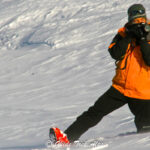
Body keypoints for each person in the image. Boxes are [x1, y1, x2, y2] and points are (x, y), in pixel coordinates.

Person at [49, 3, 150, 144]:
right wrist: (129, 36)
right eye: (135, 20)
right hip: (120, 87)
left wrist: (143, 39)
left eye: (141, 19)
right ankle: (66, 138)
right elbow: (115, 53)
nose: (139, 23)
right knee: (94, 112)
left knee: (144, 133)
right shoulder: (123, 33)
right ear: (129, 19)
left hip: (143, 91)